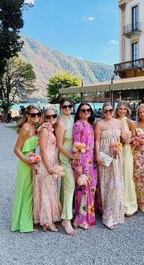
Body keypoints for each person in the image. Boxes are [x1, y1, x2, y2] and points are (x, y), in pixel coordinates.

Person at [11, 105, 41, 232]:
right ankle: (24, 224)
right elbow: (16, 150)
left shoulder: (35, 127)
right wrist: (28, 163)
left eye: (38, 114)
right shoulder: (26, 128)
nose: (36, 116)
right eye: (33, 114)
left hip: (33, 161)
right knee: (25, 192)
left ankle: (25, 221)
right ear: (27, 116)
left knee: (30, 192)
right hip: (25, 163)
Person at [95, 102, 124, 229]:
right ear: (102, 112)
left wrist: (120, 148)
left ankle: (115, 213)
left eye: (110, 110)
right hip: (105, 155)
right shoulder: (99, 124)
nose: (108, 113)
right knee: (106, 184)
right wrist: (97, 156)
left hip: (116, 155)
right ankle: (107, 215)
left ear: (113, 110)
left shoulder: (119, 122)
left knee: (116, 183)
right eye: (106, 111)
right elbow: (96, 141)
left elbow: (123, 139)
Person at [33, 108, 61, 232]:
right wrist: (48, 166)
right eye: (48, 117)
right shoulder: (45, 130)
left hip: (52, 160)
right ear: (44, 118)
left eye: (53, 116)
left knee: (50, 189)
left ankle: (46, 220)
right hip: (46, 162)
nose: (51, 119)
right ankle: (47, 221)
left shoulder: (50, 128)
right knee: (46, 190)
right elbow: (43, 150)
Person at [72, 103, 97, 229]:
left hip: (90, 160)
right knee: (83, 189)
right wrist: (78, 165)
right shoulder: (78, 125)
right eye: (83, 110)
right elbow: (76, 145)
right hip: (82, 160)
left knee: (90, 188)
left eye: (88, 110)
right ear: (79, 112)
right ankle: (80, 219)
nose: (86, 112)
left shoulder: (90, 125)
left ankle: (88, 216)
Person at [55, 98, 76, 235]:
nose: (67, 108)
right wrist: (71, 155)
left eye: (70, 106)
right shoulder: (61, 122)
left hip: (73, 156)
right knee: (70, 186)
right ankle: (66, 219)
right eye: (64, 106)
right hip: (64, 156)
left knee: (65, 187)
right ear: (60, 107)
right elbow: (59, 144)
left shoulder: (72, 119)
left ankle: (62, 210)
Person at [114, 101, 138, 216]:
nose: (122, 111)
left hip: (127, 151)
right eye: (120, 109)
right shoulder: (114, 121)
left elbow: (135, 137)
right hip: (116, 151)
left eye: (124, 109)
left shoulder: (129, 121)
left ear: (127, 110)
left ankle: (129, 204)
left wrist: (128, 141)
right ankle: (117, 203)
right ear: (117, 110)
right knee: (117, 176)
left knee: (127, 176)